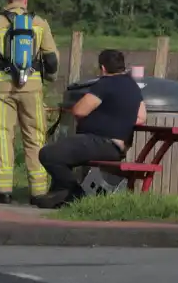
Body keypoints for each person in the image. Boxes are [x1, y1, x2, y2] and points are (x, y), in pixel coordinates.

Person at [0, 0, 60, 205]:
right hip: (32, 89)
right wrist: (49, 78)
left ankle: (2, 190)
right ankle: (38, 192)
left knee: (3, 136)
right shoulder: (39, 23)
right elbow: (51, 59)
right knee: (35, 137)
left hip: (3, 90)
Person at [35, 49, 147, 208]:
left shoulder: (105, 84)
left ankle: (76, 193)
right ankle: (58, 196)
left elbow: (79, 110)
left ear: (102, 68)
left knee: (48, 154)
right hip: (117, 148)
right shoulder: (133, 86)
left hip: (99, 142)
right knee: (63, 154)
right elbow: (142, 117)